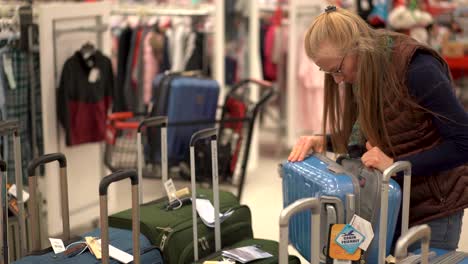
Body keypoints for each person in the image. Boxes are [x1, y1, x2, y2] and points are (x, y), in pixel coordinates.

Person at [288, 5, 468, 251]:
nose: (337, 80)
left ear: (356, 48)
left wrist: (395, 163)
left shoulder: (418, 68)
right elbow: (372, 132)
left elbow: (463, 142)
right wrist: (325, 141)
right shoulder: (363, 69)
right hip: (384, 203)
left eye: (338, 70)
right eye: (327, 72)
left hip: (431, 211)